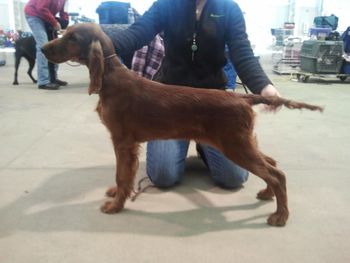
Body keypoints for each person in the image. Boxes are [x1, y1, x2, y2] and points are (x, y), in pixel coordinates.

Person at [102, 0, 281, 189]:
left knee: (233, 178)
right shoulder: (166, 5)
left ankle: (207, 145)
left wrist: (264, 86)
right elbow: (137, 33)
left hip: (211, 106)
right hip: (168, 104)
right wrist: (99, 43)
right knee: (163, 176)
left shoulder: (228, 8)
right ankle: (206, 145)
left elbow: (242, 51)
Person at [24, 0, 69, 90]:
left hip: (47, 16)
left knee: (54, 46)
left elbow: (63, 12)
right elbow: (41, 8)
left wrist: (65, 25)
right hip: (34, 14)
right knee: (43, 45)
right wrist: (54, 23)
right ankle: (43, 82)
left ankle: (53, 78)